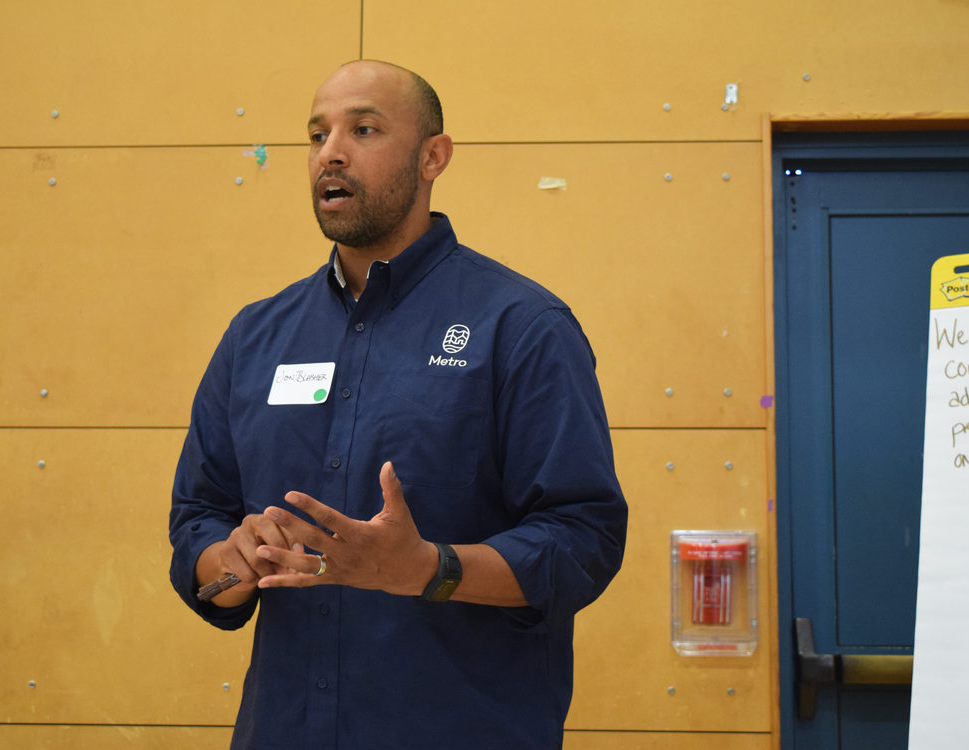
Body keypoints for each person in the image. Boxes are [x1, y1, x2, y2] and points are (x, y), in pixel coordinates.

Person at [169, 60, 627, 749]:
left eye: (364, 129)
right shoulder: (255, 335)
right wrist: (233, 566)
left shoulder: (522, 326)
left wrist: (426, 569)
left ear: (432, 157)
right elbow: (197, 520)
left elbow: (583, 539)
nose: (331, 152)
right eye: (317, 134)